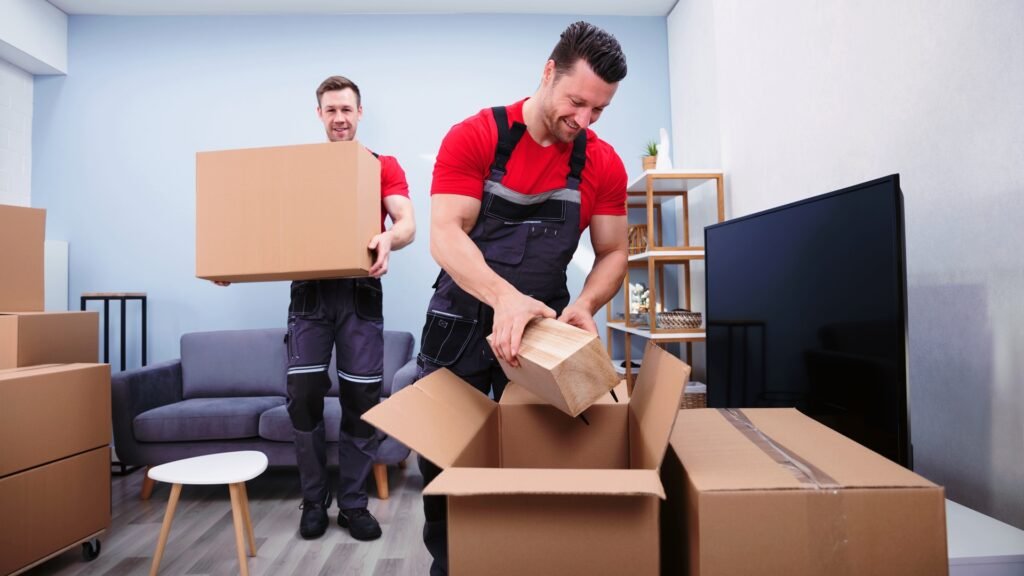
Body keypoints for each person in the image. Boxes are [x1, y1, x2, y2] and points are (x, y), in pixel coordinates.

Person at [415, 21, 628, 575]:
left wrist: (585, 305)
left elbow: (612, 254)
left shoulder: (602, 163)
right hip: (461, 321)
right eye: (577, 101)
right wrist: (504, 298)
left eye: (598, 111)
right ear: (547, 72)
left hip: (544, 331)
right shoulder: (476, 136)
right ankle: (454, 564)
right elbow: (445, 234)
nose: (583, 121)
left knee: (548, 452)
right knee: (448, 462)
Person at [217, 75, 415, 541]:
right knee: (303, 396)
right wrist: (232, 263)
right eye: (331, 110)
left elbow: (406, 221)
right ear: (319, 114)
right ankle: (313, 499)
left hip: (359, 293)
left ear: (360, 112)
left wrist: (389, 236)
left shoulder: (381, 165)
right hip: (309, 295)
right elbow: (266, 229)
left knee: (362, 400)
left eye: (347, 109)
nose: (340, 118)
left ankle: (352, 503)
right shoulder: (299, 169)